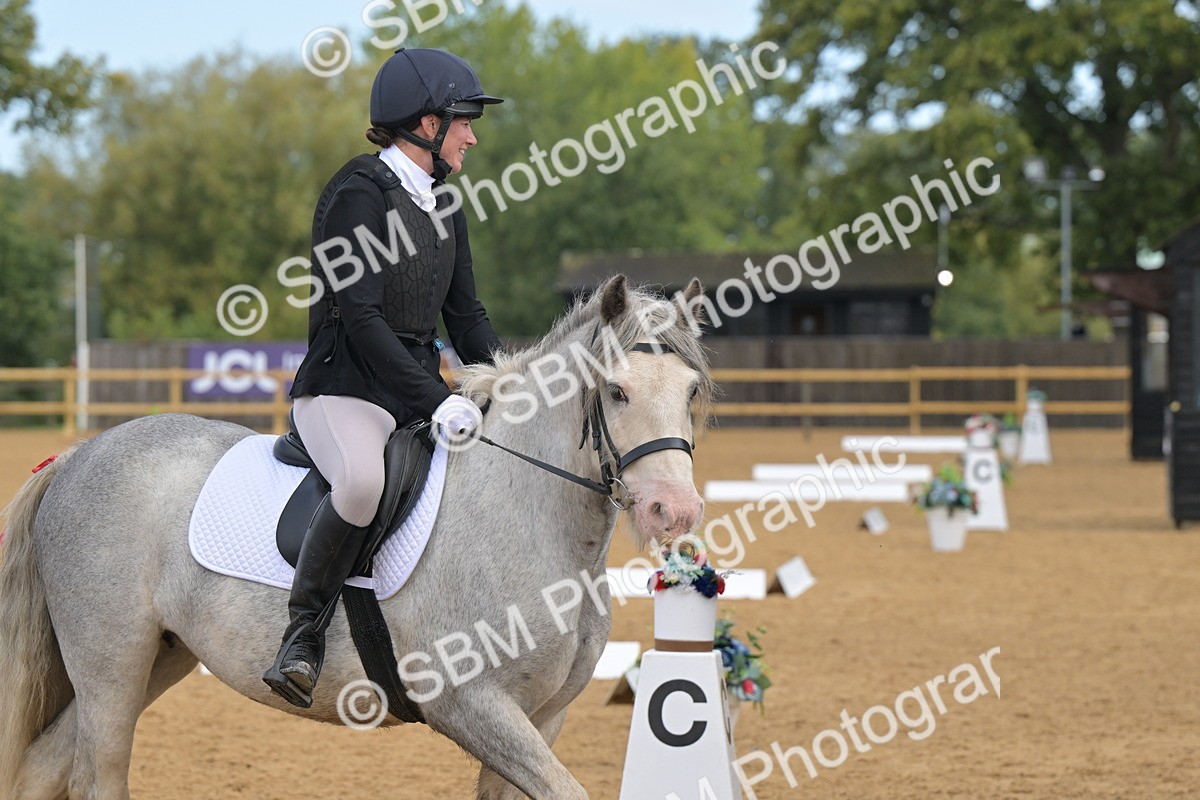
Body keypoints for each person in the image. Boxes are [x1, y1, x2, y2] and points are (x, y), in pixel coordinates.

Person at [263, 48, 503, 708]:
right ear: (428, 125)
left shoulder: (445, 204)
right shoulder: (356, 195)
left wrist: (513, 382)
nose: (473, 136)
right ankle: (302, 635)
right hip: (345, 390)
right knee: (364, 480)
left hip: (413, 394)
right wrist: (438, 399)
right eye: (464, 123)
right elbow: (361, 319)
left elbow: (467, 317)